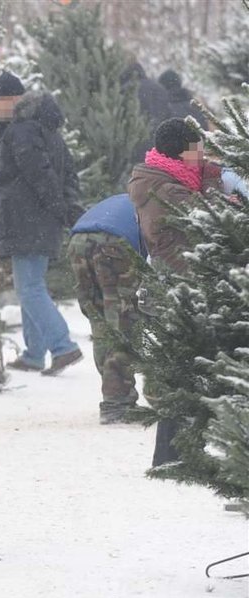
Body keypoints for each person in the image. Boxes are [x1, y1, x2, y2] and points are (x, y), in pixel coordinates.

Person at [128, 117, 224, 466]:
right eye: (198, 149)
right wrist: (218, 180)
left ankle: (175, 452)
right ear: (182, 152)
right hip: (180, 288)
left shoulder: (159, 179)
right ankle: (175, 453)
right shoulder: (168, 191)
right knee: (187, 370)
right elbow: (212, 219)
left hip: (173, 286)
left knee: (182, 369)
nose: (203, 155)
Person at [0, 71, 83, 375]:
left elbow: (39, 174)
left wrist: (56, 207)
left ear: (14, 100)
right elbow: (68, 174)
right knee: (32, 284)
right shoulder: (47, 131)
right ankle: (33, 353)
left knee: (28, 287)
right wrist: (64, 209)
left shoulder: (22, 131)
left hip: (26, 218)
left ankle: (62, 346)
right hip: (41, 219)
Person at [68, 195, 148, 424]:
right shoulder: (163, 201)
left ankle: (114, 395)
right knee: (124, 322)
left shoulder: (133, 196)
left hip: (77, 240)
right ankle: (117, 402)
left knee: (100, 320)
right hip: (115, 242)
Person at [122, 61, 172, 163]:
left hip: (132, 147)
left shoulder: (124, 90)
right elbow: (168, 117)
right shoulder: (159, 89)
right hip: (158, 146)